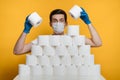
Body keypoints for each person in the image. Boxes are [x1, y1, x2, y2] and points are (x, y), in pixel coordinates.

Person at [13, 8, 102, 55]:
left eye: (61, 20)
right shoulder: (43, 40)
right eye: (55, 21)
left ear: (66, 23)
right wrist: (26, 30)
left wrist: (88, 22)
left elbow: (97, 43)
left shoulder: (74, 38)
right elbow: (18, 51)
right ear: (50, 24)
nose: (58, 23)